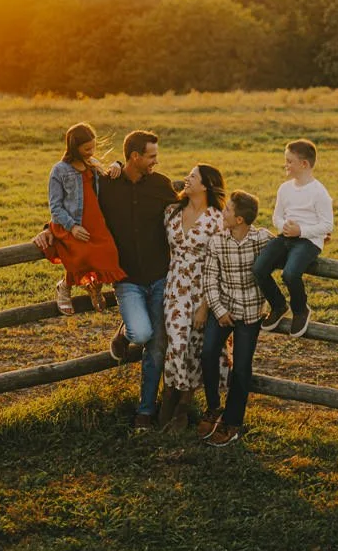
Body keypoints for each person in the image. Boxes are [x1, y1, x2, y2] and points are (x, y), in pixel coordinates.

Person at [95, 130, 179, 432]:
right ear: (134, 157)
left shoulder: (160, 185)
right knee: (142, 334)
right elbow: (84, 212)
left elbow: (187, 208)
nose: (156, 161)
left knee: (157, 346)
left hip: (160, 277)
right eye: (151, 156)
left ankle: (145, 412)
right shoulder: (107, 184)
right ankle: (126, 331)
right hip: (126, 278)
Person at [158, 163, 227, 432]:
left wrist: (205, 306)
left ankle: (183, 407)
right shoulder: (172, 212)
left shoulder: (217, 219)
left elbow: (219, 264)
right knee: (175, 343)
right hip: (174, 287)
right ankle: (169, 397)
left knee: (193, 347)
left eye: (192, 177)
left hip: (202, 290)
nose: (186, 179)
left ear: (206, 185)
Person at [196, 189, 268, 446]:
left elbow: (284, 247)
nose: (222, 212)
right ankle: (214, 406)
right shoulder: (217, 241)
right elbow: (210, 279)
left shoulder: (260, 240)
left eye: (227, 210)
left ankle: (232, 422)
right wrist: (218, 310)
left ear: (239, 219)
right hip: (223, 309)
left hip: (249, 314)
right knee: (207, 353)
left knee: (241, 368)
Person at [33, 123, 126, 315]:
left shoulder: (93, 164)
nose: (91, 152)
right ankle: (64, 287)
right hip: (71, 223)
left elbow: (109, 181)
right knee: (80, 255)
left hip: (95, 222)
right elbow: (55, 207)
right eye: (86, 149)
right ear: (74, 147)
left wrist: (118, 164)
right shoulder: (59, 170)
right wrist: (72, 227)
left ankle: (94, 288)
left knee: (109, 253)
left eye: (93, 147)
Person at [254, 139, 333, 338]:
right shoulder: (285, 188)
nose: (286, 165)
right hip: (286, 236)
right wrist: (284, 227)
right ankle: (279, 305)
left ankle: (300, 310)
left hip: (309, 241)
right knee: (259, 268)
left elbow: (327, 225)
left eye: (290, 161)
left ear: (304, 164)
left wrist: (301, 231)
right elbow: (276, 216)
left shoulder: (319, 192)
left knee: (290, 274)